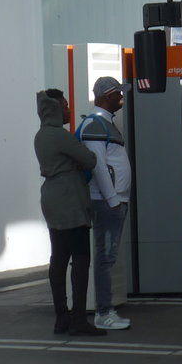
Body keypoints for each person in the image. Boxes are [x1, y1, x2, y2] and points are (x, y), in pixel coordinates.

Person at [33, 89, 106, 336]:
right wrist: (79, 160)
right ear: (53, 109)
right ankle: (78, 319)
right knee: (81, 257)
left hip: (51, 198)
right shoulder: (59, 136)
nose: (68, 109)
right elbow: (90, 159)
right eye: (64, 105)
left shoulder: (41, 135)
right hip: (69, 199)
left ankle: (61, 317)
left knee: (59, 258)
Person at [78, 76, 133, 331]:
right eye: (116, 93)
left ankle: (105, 310)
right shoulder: (96, 124)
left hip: (112, 201)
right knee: (105, 258)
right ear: (104, 97)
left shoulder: (101, 123)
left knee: (106, 257)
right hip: (107, 202)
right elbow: (97, 164)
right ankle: (103, 312)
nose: (120, 97)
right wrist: (112, 199)